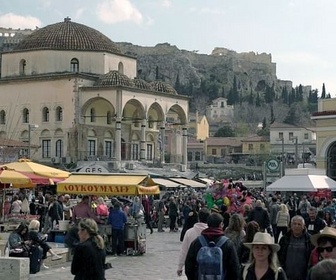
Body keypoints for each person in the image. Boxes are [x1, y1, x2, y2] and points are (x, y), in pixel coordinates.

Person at [185, 213, 240, 279]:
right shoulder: (228, 243)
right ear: (221, 225)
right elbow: (235, 268)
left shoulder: (197, 242)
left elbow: (188, 266)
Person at [177, 207, 210, 277]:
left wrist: (180, 267)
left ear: (198, 218)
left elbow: (184, 250)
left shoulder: (189, 232)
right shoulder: (211, 233)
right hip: (208, 265)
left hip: (192, 265)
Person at [278, 215, 313, 280]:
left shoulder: (309, 240)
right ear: (291, 226)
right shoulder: (284, 239)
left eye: (299, 224)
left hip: (304, 276)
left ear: (303, 226)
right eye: (294, 224)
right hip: (286, 275)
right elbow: (279, 256)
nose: (296, 226)